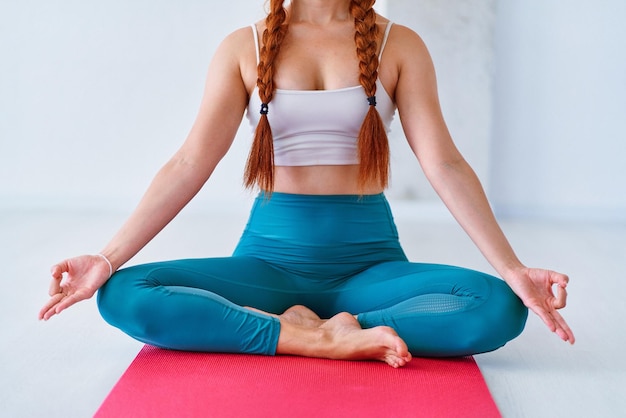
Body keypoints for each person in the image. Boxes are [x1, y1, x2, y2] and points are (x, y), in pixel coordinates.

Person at [38, 0, 575, 368]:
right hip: (267, 267)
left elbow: (446, 164)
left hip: (370, 268)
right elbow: (187, 163)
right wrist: (106, 259)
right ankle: (309, 336)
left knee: (499, 306)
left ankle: (332, 325)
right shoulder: (243, 47)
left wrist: (513, 268)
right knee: (123, 295)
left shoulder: (399, 44)